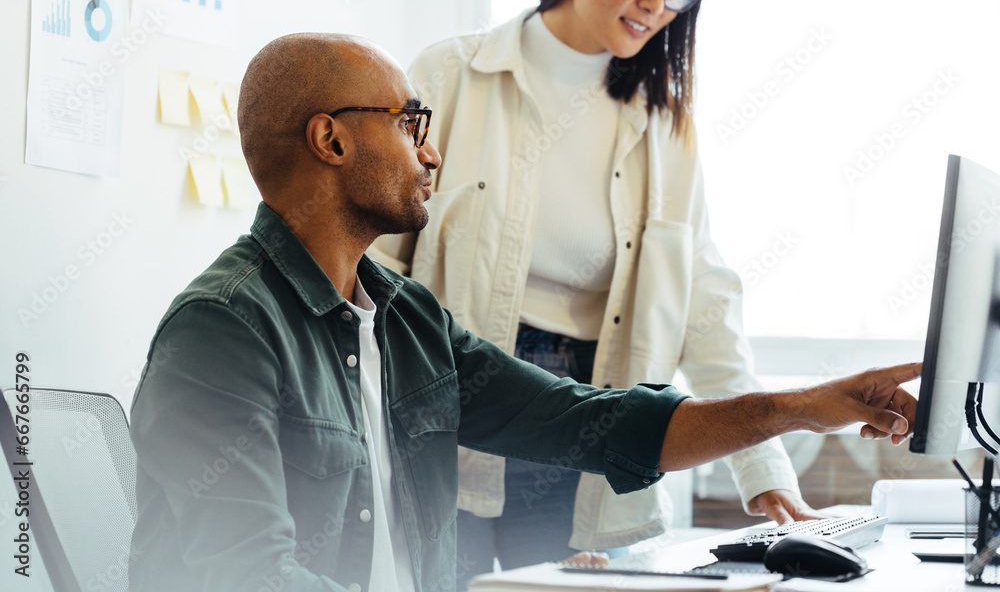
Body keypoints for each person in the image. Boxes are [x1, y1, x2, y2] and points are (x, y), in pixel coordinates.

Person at [128, 31, 919, 592]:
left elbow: (595, 422)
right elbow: (249, 577)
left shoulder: (407, 324)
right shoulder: (222, 329)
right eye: (410, 124)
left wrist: (806, 407)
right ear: (330, 140)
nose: (431, 152)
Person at [367, 0, 817, 584]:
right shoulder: (449, 74)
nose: (657, 2)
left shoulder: (664, 124)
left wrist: (763, 469)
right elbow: (374, 262)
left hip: (583, 416)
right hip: (451, 393)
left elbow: (706, 305)